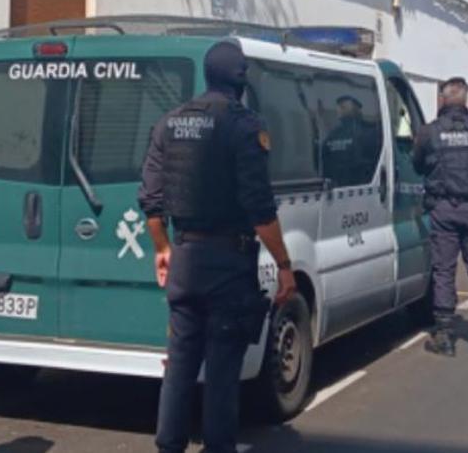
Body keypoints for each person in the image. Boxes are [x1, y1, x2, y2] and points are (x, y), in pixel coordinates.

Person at [138, 40, 296, 453]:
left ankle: (169, 445)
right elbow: (260, 210)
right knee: (223, 370)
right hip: (228, 263)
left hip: (185, 259)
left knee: (180, 364)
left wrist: (162, 248)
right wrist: (284, 264)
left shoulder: (168, 123)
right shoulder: (244, 126)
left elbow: (151, 200)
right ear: (241, 80)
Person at [413, 77, 468, 361]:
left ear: (442, 100)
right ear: (465, 101)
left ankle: (445, 336)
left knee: (444, 271)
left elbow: (417, 164)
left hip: (444, 209)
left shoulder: (429, 133)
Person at [321, 95, 380, 186]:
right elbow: (323, 158)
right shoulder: (334, 134)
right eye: (340, 107)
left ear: (357, 109)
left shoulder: (370, 131)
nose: (340, 110)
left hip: (362, 185)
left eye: (343, 107)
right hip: (341, 186)